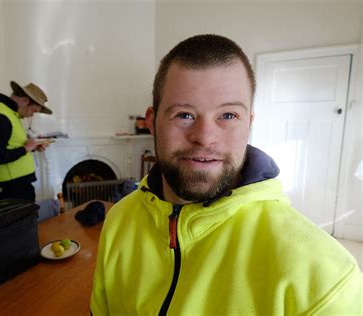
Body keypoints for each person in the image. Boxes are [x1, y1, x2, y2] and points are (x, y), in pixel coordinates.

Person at [90, 35, 362, 315]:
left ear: (249, 123)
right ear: (151, 122)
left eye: (228, 115)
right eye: (184, 114)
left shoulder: (326, 279)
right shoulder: (118, 221)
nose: (205, 138)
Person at [0, 81, 53, 202]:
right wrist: (25, 149)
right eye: (34, 111)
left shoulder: (10, 114)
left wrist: (33, 147)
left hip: (16, 185)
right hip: (9, 188)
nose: (31, 115)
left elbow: (11, 145)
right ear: (25, 101)